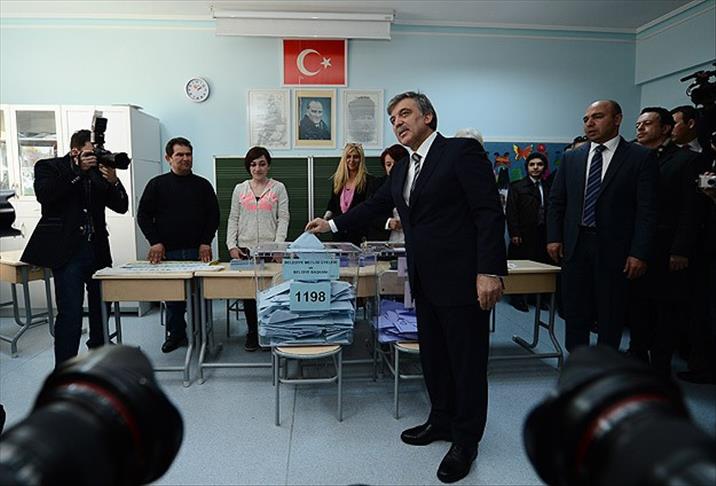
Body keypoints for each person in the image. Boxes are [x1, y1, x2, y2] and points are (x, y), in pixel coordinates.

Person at [307, 91, 506, 483]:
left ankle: (466, 440)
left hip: (462, 280)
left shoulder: (460, 152)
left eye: (405, 113)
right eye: (393, 118)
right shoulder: (401, 168)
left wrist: (489, 271)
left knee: (466, 363)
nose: (397, 122)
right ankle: (441, 419)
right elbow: (374, 207)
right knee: (434, 358)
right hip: (422, 281)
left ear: (428, 117)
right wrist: (330, 225)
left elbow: (488, 212)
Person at [547, 100, 658, 352]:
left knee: (611, 311)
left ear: (617, 119)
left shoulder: (640, 157)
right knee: (575, 310)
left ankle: (606, 365)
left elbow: (647, 210)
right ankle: (577, 364)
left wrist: (639, 252)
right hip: (575, 245)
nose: (589, 123)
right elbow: (556, 201)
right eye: (586, 119)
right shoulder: (572, 158)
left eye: (597, 117)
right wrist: (553, 237)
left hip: (615, 248)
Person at [21, 129, 128, 367]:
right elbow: (45, 195)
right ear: (75, 152)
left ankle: (98, 355)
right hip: (68, 253)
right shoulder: (49, 167)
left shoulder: (99, 172)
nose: (94, 158)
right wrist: (78, 171)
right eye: (89, 153)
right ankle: (65, 368)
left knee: (102, 309)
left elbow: (121, 206)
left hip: (98, 251)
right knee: (70, 313)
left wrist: (114, 181)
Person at [628, 107, 699, 375]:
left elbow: (690, 210)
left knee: (665, 308)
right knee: (637, 304)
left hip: (666, 247)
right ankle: (636, 353)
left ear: (666, 128)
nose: (640, 128)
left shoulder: (685, 160)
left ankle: (660, 364)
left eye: (647, 124)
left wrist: (680, 249)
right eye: (638, 124)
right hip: (636, 246)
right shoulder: (634, 159)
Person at [137, 137, 220, 353]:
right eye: (179, 155)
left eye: (188, 154)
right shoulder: (157, 185)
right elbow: (143, 216)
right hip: (168, 253)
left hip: (197, 252)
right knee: (173, 299)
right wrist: (155, 242)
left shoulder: (202, 185)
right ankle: (176, 335)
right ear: (168, 158)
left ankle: (202, 336)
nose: (185, 158)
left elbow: (213, 216)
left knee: (200, 297)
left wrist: (206, 241)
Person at [226, 146, 289, 351]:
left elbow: (284, 219)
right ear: (248, 167)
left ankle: (269, 331)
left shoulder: (278, 188)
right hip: (246, 249)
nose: (258, 168)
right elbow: (233, 218)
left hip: (271, 250)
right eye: (253, 164)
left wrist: (278, 247)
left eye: (262, 164)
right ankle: (252, 332)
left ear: (268, 165)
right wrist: (231, 245)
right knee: (249, 294)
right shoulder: (240, 189)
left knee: (271, 293)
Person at [506, 152, 551, 311]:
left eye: (539, 164)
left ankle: (535, 297)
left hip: (542, 232)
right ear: (527, 167)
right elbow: (511, 212)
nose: (536, 167)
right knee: (520, 265)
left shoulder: (548, 186)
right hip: (523, 233)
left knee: (539, 265)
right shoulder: (517, 186)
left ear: (544, 167)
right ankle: (517, 298)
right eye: (532, 164)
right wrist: (514, 233)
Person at [323, 142, 387, 246]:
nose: (351, 160)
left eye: (356, 157)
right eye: (348, 156)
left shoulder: (369, 181)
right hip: (339, 235)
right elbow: (332, 204)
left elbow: (369, 209)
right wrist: (325, 219)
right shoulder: (338, 180)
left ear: (361, 159)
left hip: (359, 236)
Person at [379, 144, 409, 243]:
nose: (393, 168)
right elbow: (371, 214)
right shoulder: (378, 185)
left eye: (397, 164)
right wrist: (388, 222)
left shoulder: (414, 184)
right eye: (388, 164)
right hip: (388, 240)